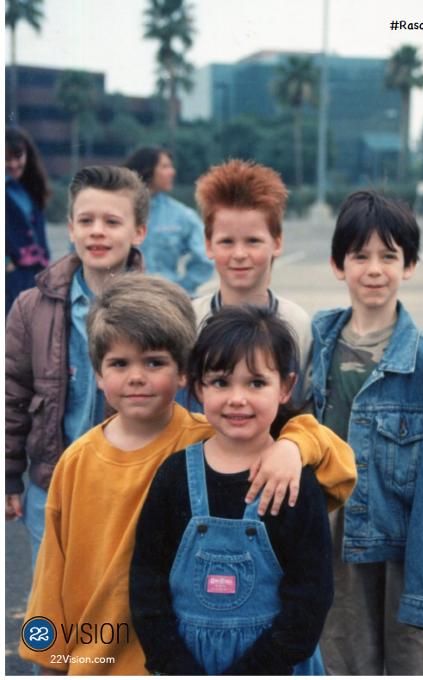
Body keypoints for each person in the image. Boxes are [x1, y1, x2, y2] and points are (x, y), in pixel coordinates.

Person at [19, 274, 356, 675]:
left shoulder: (210, 434)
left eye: (155, 362)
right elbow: (52, 570)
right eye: (120, 363)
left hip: (189, 659)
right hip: (105, 662)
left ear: (184, 375)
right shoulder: (76, 462)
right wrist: (49, 659)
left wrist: (295, 444)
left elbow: (339, 464)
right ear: (97, 372)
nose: (138, 376)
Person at [311, 190, 423, 675]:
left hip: (403, 549)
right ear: (339, 265)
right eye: (360, 255)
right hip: (333, 544)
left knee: (412, 663)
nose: (375, 269)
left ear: (410, 266)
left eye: (389, 255)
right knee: (340, 661)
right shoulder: (316, 343)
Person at [130, 305, 341, 675]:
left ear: (286, 387)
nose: (237, 398)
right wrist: (177, 667)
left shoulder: (295, 482)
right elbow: (147, 582)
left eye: (256, 382)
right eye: (221, 382)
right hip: (187, 664)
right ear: (198, 387)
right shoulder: (174, 475)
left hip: (275, 666)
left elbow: (310, 596)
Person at [5, 165, 149, 569]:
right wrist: (9, 478)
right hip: (51, 489)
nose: (97, 231)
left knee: (115, 608)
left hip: (129, 489)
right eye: (86, 220)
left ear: (139, 231)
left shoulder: (160, 309)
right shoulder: (30, 308)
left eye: (112, 221)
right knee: (49, 609)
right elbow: (12, 398)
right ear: (70, 228)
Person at [192, 159, 312, 399]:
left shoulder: (298, 324)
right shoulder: (188, 320)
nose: (239, 255)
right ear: (208, 245)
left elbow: (304, 407)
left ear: (277, 243)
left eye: (253, 241)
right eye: (226, 242)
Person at [124, 146, 214, 295]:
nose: (173, 172)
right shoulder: (113, 212)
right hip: (119, 301)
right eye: (165, 166)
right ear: (146, 169)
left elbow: (205, 259)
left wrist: (178, 289)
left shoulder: (182, 215)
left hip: (165, 303)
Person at [5, 126, 51, 315]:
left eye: (18, 157)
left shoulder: (29, 189)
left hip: (35, 275)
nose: (14, 164)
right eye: (7, 158)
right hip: (10, 277)